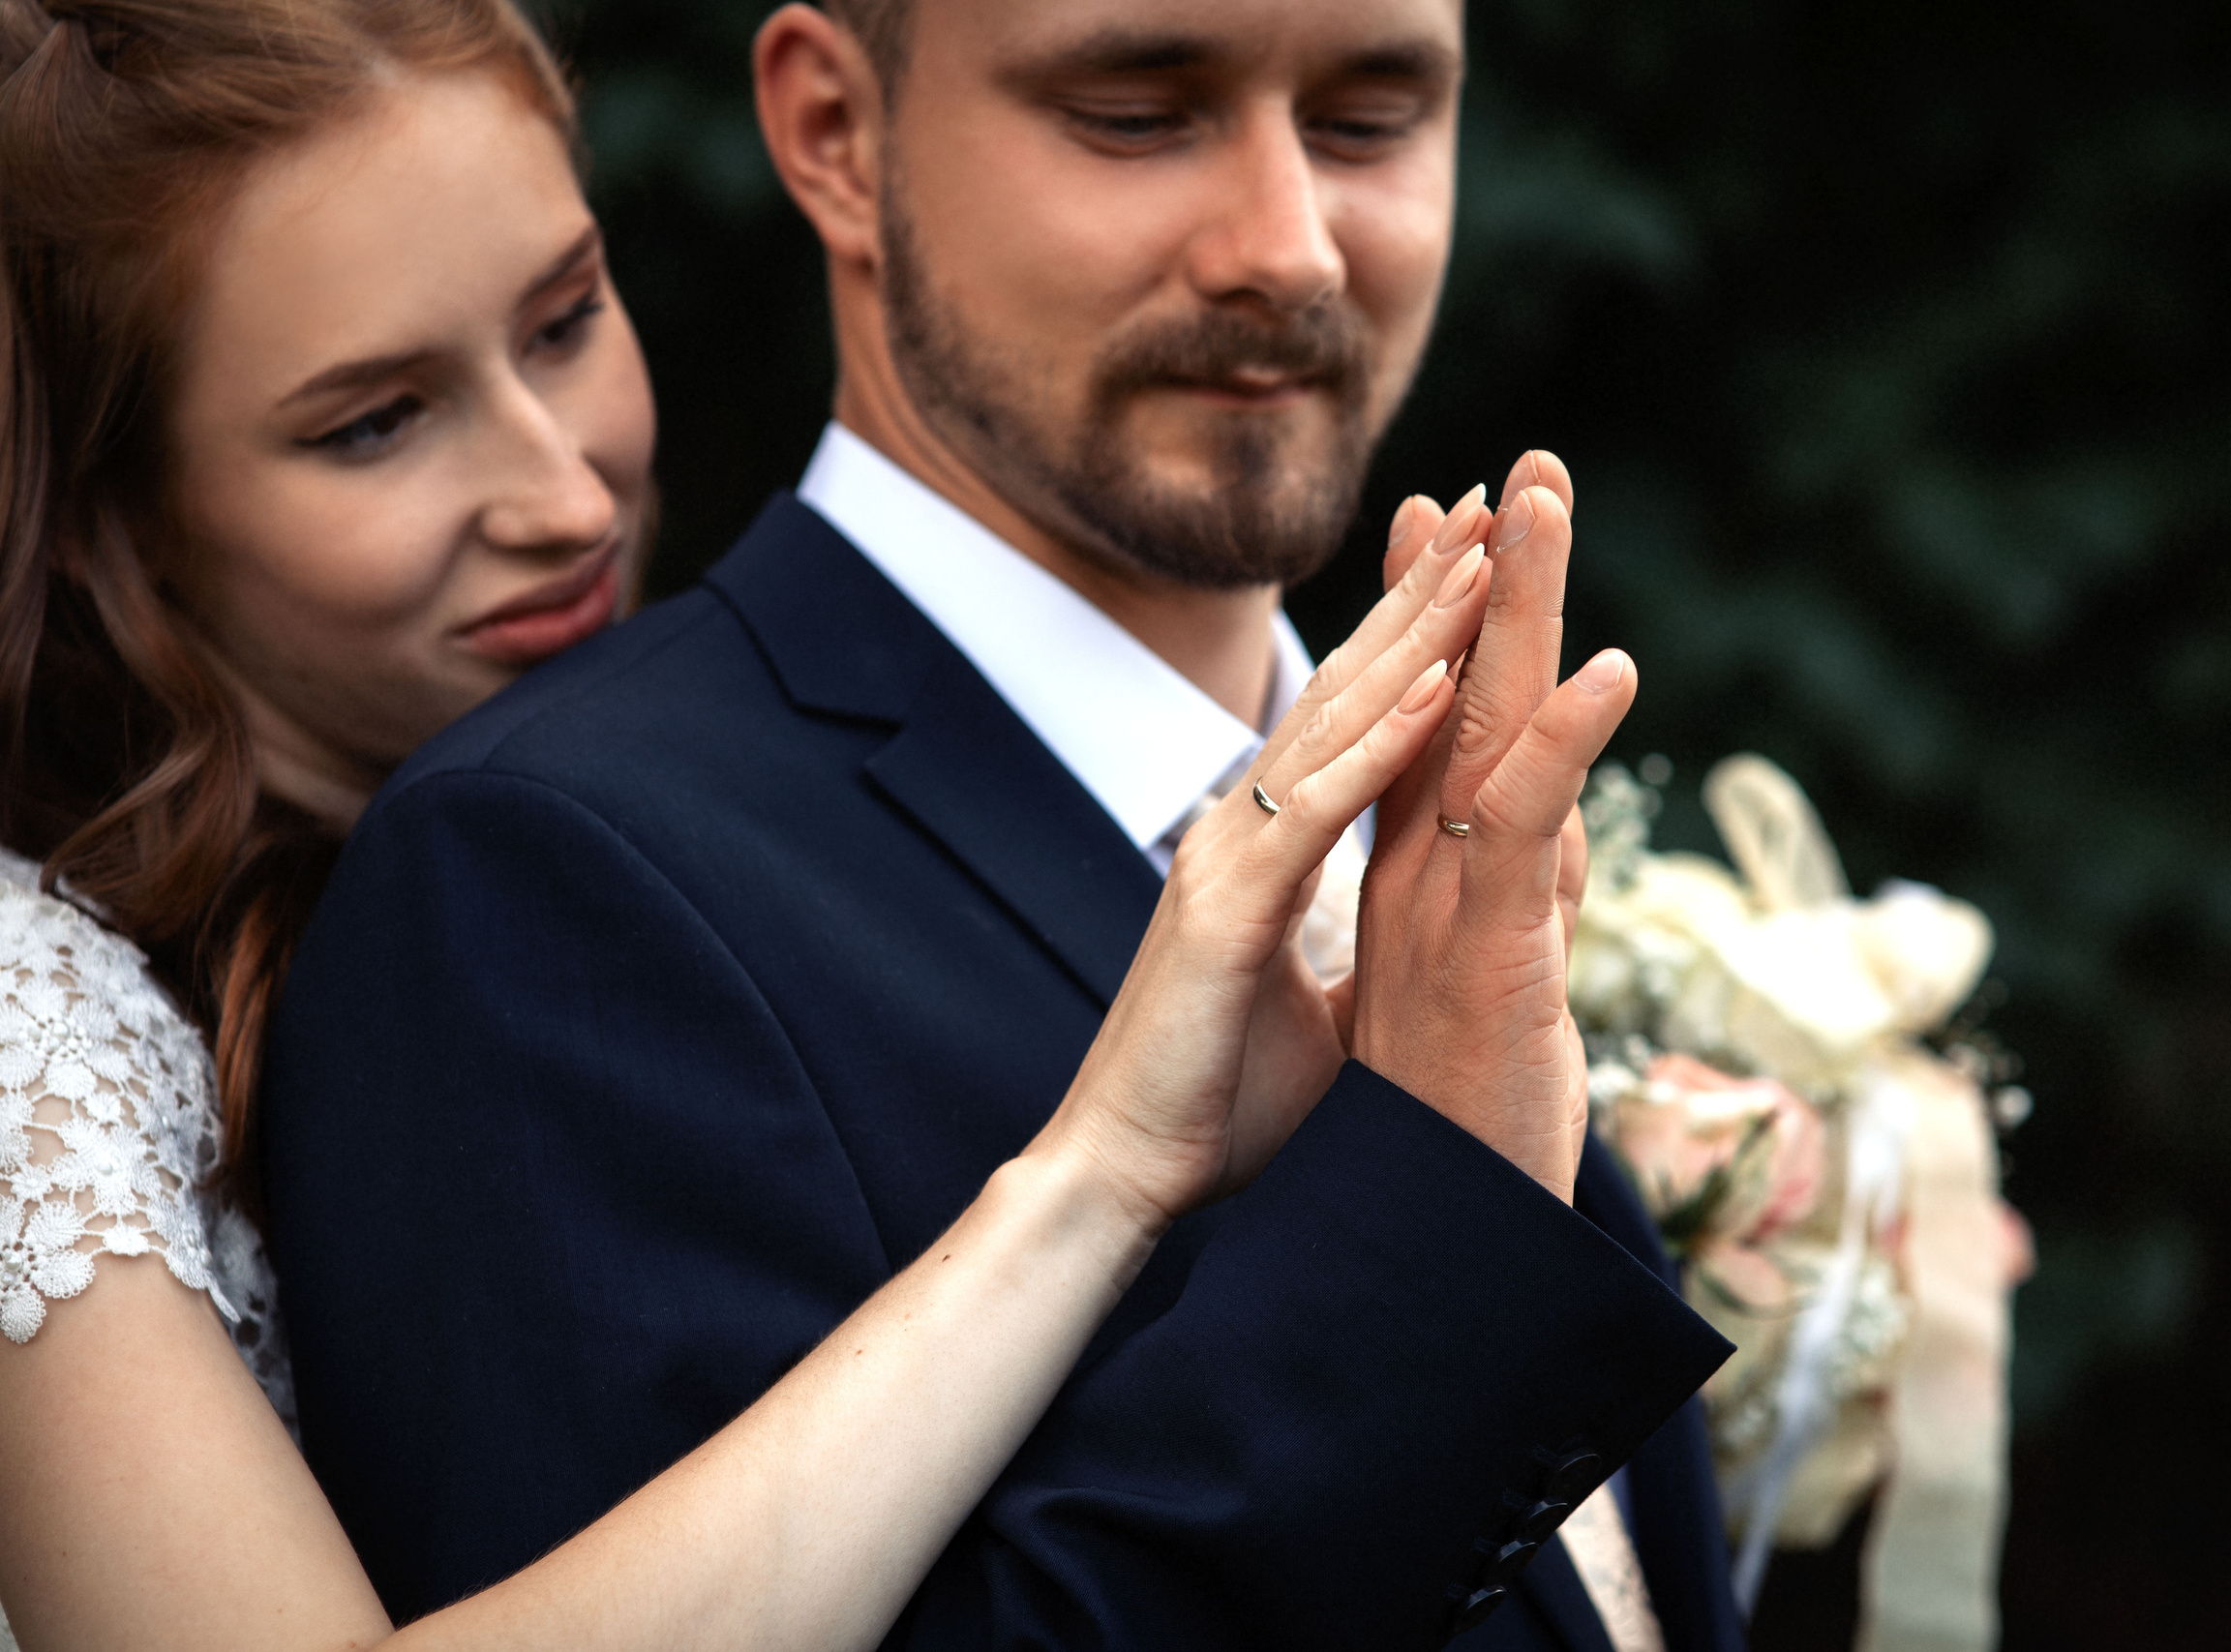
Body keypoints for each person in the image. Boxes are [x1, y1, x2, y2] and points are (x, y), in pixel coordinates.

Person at [0, 1, 1512, 1647]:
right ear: (103, 523)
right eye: (374, 423)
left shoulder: (674, 793)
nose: (569, 498)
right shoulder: (38, 1035)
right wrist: (1098, 1179)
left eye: (570, 320)